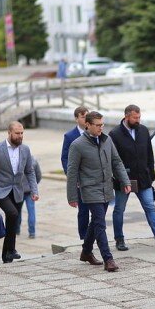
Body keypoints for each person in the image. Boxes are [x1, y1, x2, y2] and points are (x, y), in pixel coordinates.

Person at [66, 111, 129, 272]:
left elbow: (117, 162)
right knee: (100, 223)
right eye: (98, 125)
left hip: (107, 189)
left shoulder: (107, 140)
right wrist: (72, 196)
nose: (101, 128)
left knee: (95, 222)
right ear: (87, 125)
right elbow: (72, 172)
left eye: (102, 125)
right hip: (89, 190)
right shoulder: (77, 145)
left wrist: (125, 181)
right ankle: (109, 259)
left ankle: (86, 252)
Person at [110, 105, 155, 252]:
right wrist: (119, 178)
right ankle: (119, 239)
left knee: (150, 207)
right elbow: (113, 160)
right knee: (119, 209)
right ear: (126, 116)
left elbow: (149, 154)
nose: (138, 120)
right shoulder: (114, 134)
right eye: (135, 118)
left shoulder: (143, 130)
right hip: (124, 180)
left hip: (143, 178)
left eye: (139, 117)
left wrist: (151, 173)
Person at [0, 122, 39, 263]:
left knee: (12, 221)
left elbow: (30, 171)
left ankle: (6, 256)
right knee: (13, 214)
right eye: (17, 133)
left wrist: (34, 190)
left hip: (17, 191)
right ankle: (12, 249)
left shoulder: (25, 149)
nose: (20, 136)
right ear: (9, 133)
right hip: (0, 190)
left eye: (22, 133)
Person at [61, 106, 90, 240]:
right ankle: (83, 237)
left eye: (87, 116)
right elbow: (65, 157)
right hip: (79, 179)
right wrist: (72, 177)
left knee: (97, 211)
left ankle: (95, 235)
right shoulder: (69, 136)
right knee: (83, 211)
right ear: (76, 118)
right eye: (83, 116)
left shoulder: (94, 132)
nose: (85, 119)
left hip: (93, 177)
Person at [16, 157, 42, 238]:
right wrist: (33, 185)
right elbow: (38, 176)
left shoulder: (16, 161)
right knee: (31, 212)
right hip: (30, 191)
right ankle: (32, 232)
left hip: (19, 190)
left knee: (17, 211)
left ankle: (17, 230)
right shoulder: (34, 161)